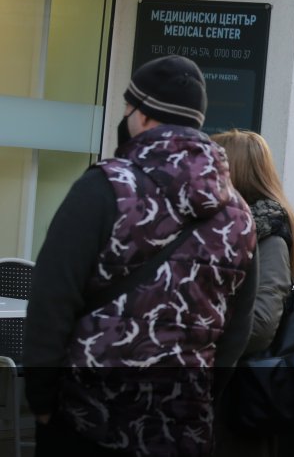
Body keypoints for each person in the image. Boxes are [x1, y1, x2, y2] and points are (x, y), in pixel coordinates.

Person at [25, 55, 259, 457]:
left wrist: (41, 401)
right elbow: (237, 330)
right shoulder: (238, 214)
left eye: (128, 107)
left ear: (145, 116)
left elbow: (52, 300)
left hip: (88, 420)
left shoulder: (105, 186)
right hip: (183, 427)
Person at [211, 130, 294, 457]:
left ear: (234, 171)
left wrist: (201, 339)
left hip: (242, 397)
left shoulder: (268, 235)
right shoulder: (230, 228)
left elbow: (262, 325)